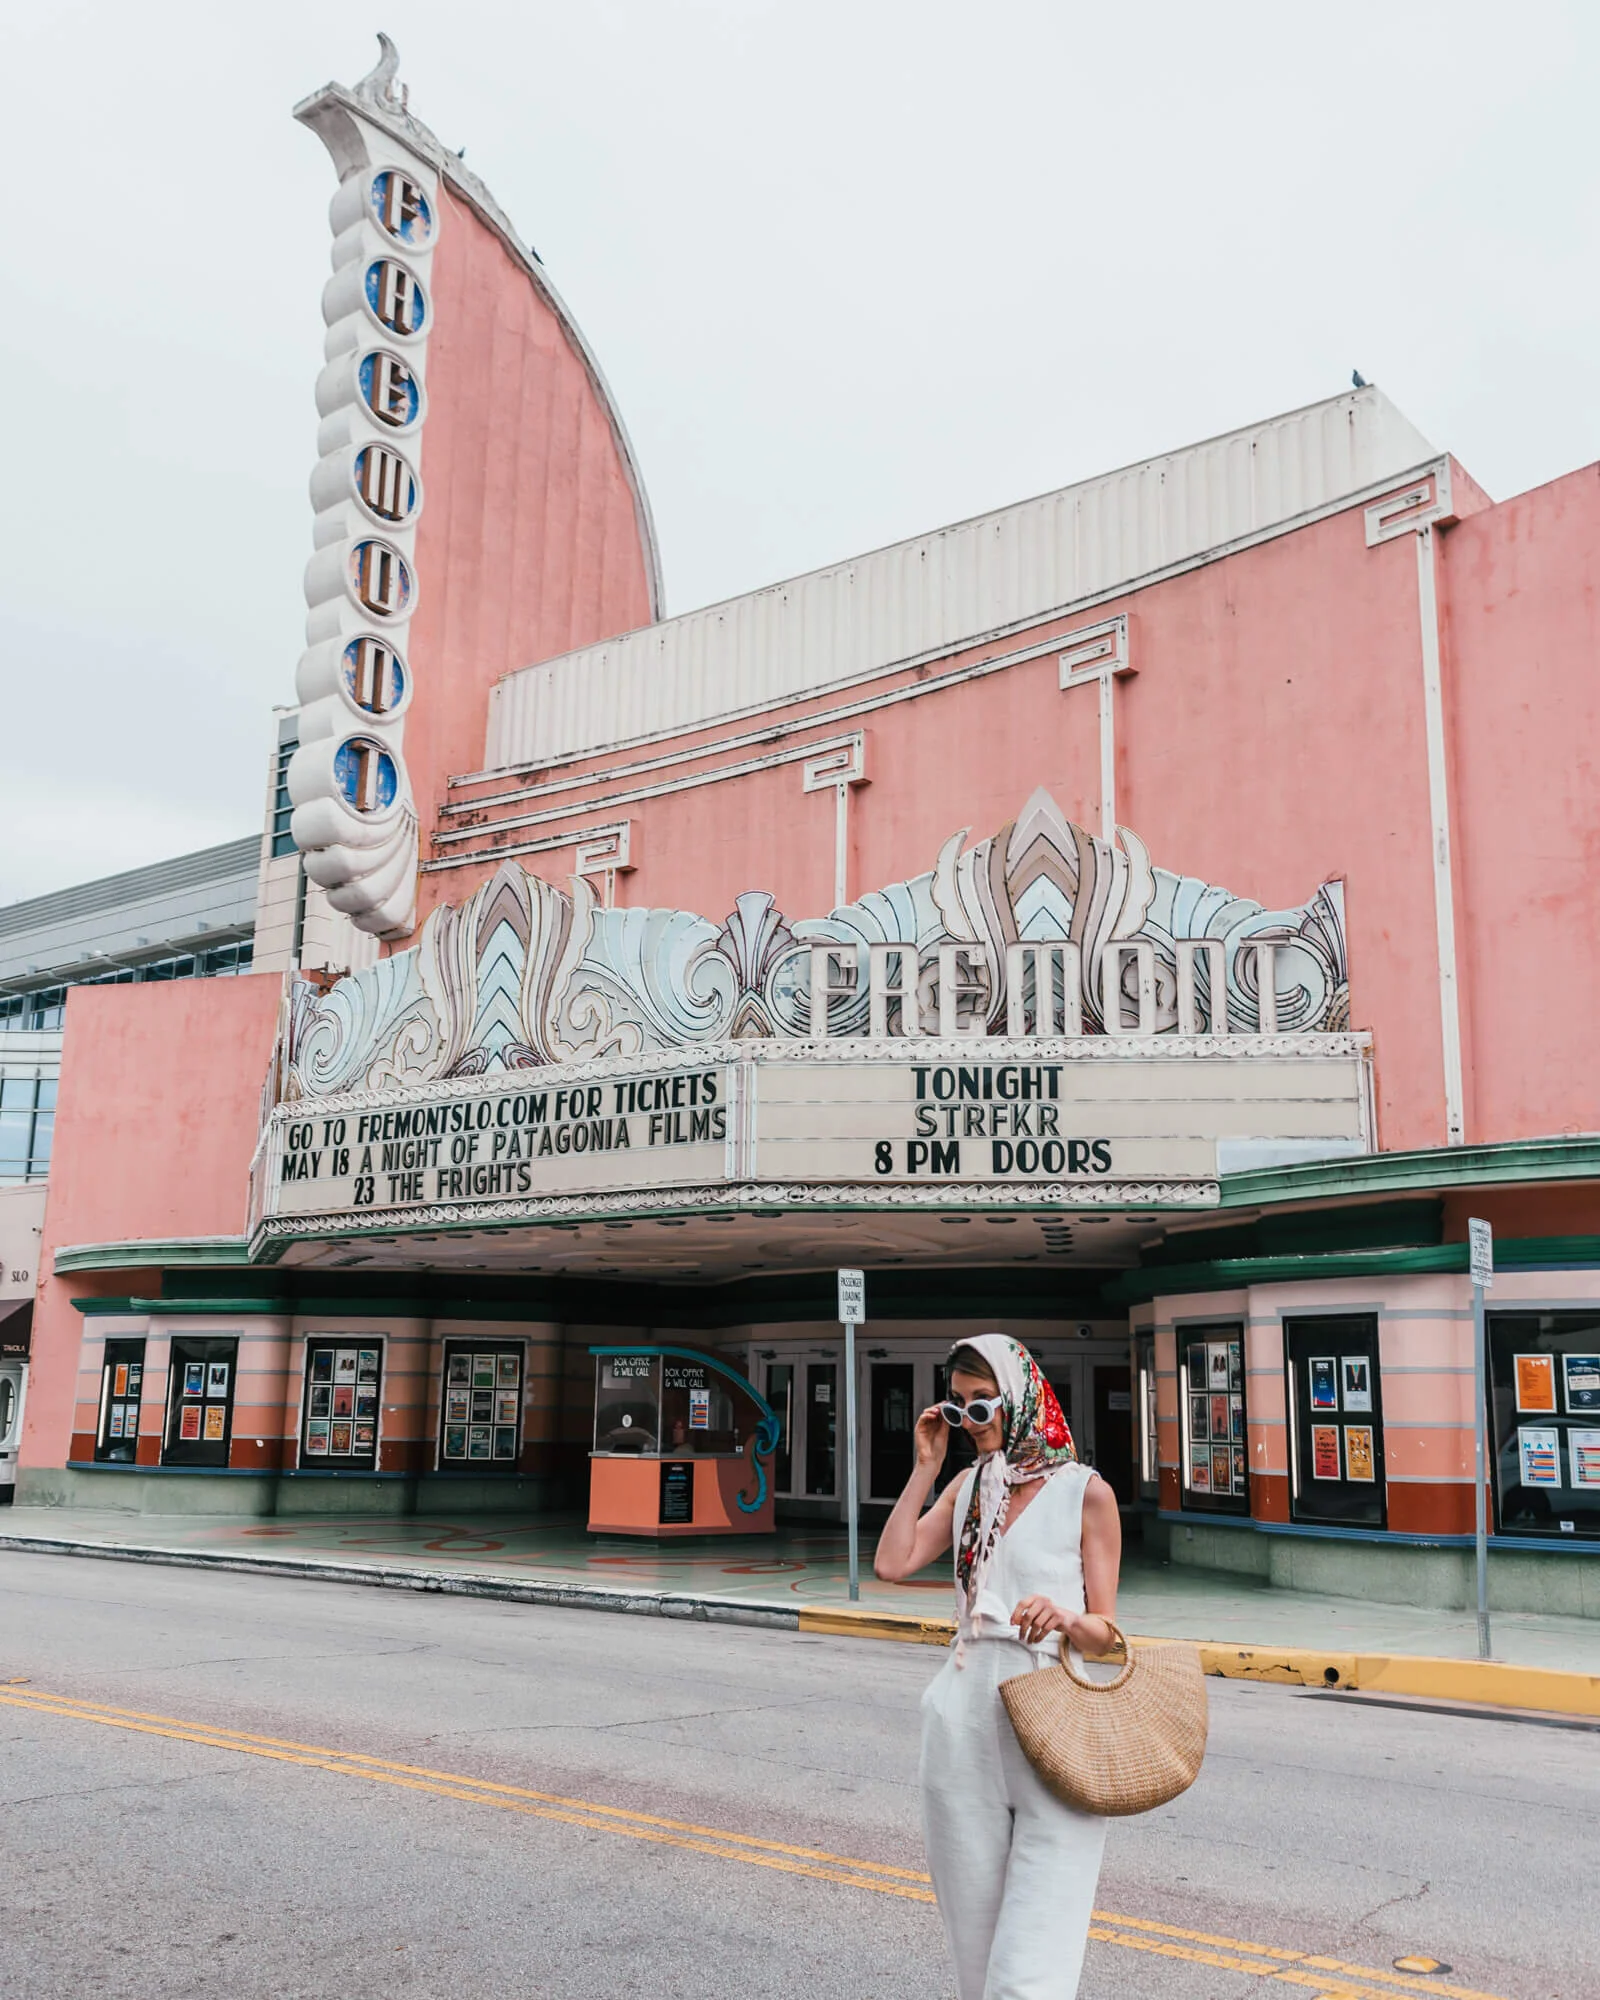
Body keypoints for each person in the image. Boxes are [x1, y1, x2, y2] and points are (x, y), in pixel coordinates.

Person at [874, 1333, 1122, 2000]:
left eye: (982, 1405)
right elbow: (892, 1563)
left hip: (1052, 1721)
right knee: (975, 1954)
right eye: (957, 1407)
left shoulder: (1085, 1493)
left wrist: (1065, 1617)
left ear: (1019, 1399)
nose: (970, 1422)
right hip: (963, 1724)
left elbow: (1107, 1637)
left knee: (1030, 1966)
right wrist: (925, 1468)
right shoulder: (967, 1487)